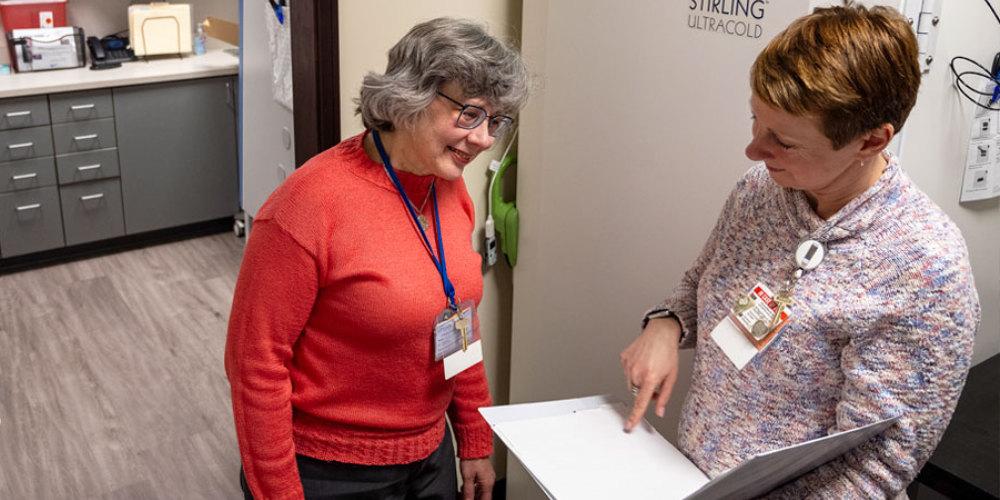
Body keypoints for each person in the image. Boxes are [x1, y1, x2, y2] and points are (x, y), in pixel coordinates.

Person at [620, 5, 980, 498]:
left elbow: (877, 466)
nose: (753, 150)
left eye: (783, 142)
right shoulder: (762, 190)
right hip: (696, 476)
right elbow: (703, 279)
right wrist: (666, 323)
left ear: (871, 140)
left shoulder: (924, 268)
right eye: (755, 120)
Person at [225, 17, 528, 500]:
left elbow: (459, 322)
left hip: (430, 458)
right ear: (408, 96)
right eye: (470, 114)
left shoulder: (450, 189)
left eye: (496, 121)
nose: (485, 138)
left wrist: (473, 437)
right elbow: (255, 367)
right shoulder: (305, 207)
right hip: (327, 471)